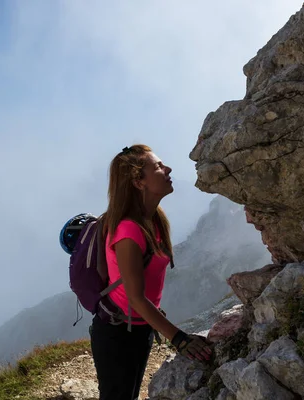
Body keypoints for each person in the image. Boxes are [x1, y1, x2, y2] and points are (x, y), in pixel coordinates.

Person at [90, 144, 213, 400]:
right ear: (138, 182)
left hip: (140, 327)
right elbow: (136, 298)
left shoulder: (155, 218)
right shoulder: (128, 231)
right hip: (117, 334)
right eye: (158, 166)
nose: (167, 169)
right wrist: (180, 340)